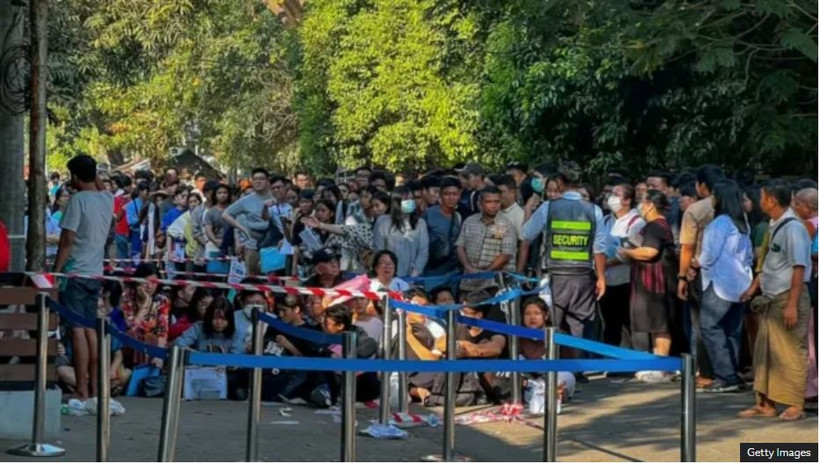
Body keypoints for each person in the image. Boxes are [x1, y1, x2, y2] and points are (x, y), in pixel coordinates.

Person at [739, 179, 812, 421]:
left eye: (762, 197)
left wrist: (792, 305)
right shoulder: (774, 224)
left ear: (771, 200)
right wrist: (753, 288)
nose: (759, 202)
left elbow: (799, 268)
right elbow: (769, 263)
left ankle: (795, 403)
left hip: (788, 298)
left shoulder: (794, 228)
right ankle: (765, 403)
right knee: (764, 353)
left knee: (791, 351)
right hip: (771, 299)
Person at [54, 154, 114, 401]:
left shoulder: (77, 201)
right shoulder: (107, 198)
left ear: (75, 177)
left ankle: (81, 388)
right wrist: (89, 173)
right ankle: (95, 388)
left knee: (77, 330)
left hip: (76, 271)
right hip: (95, 273)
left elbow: (67, 239)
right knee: (90, 330)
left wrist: (57, 271)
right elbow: (98, 184)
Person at [520, 182, 608, 343]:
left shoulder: (548, 208)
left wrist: (527, 211)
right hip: (583, 279)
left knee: (550, 322)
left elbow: (526, 233)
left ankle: (551, 364)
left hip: (554, 278)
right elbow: (599, 248)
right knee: (581, 325)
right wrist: (601, 277)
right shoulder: (594, 210)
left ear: (561, 187)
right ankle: (581, 365)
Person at [697, 181, 754, 392]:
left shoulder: (720, 223)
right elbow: (748, 255)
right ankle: (732, 372)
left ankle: (725, 375)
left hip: (719, 282)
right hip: (740, 282)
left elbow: (709, 255)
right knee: (731, 329)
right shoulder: (742, 222)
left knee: (710, 327)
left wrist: (696, 262)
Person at [619, 190, 678, 382]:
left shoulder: (655, 226)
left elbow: (650, 252)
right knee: (655, 325)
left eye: (642, 203)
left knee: (660, 326)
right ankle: (656, 365)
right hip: (655, 283)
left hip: (656, 284)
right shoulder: (658, 225)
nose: (640, 207)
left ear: (651, 205)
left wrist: (627, 252)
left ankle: (662, 368)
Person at [678, 164, 725, 389]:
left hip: (700, 271)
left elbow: (687, 247)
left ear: (702, 185)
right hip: (729, 274)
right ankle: (726, 372)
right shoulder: (732, 206)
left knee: (700, 325)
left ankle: (704, 373)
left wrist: (682, 276)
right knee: (726, 325)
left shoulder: (695, 210)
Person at [601, 183, 645, 348]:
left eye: (616, 194)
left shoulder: (636, 221)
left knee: (630, 323)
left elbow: (631, 251)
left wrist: (606, 263)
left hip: (628, 282)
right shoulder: (606, 220)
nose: (611, 198)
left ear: (627, 200)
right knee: (611, 324)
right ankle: (612, 363)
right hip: (607, 281)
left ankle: (636, 360)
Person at [311, 305, 380, 407]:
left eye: (326, 323)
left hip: (358, 382)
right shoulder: (320, 333)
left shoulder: (356, 333)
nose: (323, 325)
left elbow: (370, 345)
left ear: (340, 326)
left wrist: (348, 355)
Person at [456, 186, 517, 300]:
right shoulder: (470, 221)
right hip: (469, 280)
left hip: (494, 283)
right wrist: (468, 267)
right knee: (465, 313)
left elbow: (506, 255)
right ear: (480, 203)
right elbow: (460, 246)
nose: (493, 205)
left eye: (496, 202)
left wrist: (485, 273)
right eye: (488, 202)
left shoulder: (507, 225)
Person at [260, 294, 320, 402]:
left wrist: (289, 346)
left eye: (284, 310)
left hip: (290, 377)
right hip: (268, 372)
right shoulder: (275, 325)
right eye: (279, 310)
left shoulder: (309, 332)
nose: (281, 314)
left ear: (296, 309)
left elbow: (310, 364)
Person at [519, 298, 576, 407]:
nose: (532, 317)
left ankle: (553, 393)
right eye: (527, 314)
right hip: (530, 378)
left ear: (546, 315)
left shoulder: (559, 335)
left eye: (537, 313)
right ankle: (542, 393)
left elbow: (569, 366)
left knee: (565, 377)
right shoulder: (518, 336)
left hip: (556, 375)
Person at [222, 168, 274, 275]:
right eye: (255, 179)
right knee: (252, 279)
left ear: (268, 181)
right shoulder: (246, 200)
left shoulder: (275, 196)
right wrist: (242, 228)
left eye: (261, 179)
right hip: (253, 246)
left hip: (274, 245)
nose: (258, 181)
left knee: (273, 281)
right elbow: (225, 214)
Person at [372, 186, 429, 277]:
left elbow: (423, 252)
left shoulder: (420, 223)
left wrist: (415, 273)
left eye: (412, 199)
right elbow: (378, 249)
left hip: (411, 276)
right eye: (407, 200)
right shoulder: (383, 221)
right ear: (397, 202)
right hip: (387, 275)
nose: (411, 202)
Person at [121, 263, 170, 368]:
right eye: (145, 282)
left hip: (153, 346)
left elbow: (162, 331)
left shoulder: (162, 300)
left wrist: (159, 355)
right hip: (130, 344)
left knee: (151, 338)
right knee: (136, 336)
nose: (150, 286)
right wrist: (145, 304)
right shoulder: (127, 296)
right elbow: (131, 328)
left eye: (154, 282)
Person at [423, 177, 463, 287]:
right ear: (440, 195)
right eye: (447, 194)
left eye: (455, 194)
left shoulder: (458, 217)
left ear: (460, 195)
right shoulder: (428, 214)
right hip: (431, 272)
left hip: (452, 273)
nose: (451, 198)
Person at [173, 297, 244, 354]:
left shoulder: (236, 334)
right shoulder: (198, 327)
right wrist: (197, 356)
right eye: (215, 318)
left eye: (223, 319)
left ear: (230, 320)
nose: (219, 322)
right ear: (209, 317)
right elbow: (179, 343)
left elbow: (236, 359)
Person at [494, 174, 525, 241]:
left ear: (512, 192)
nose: (497, 195)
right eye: (496, 192)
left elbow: (522, 242)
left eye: (501, 192)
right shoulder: (495, 211)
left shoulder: (519, 215)